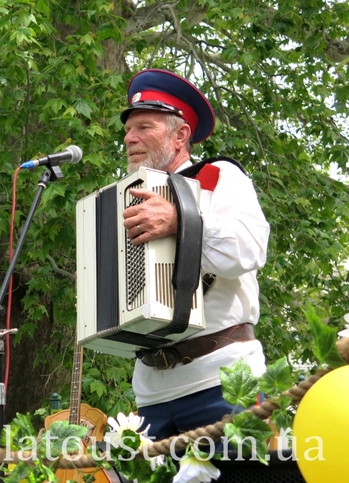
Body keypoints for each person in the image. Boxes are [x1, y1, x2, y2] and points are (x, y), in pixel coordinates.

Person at [118, 69, 270, 440]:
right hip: (151, 391)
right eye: (128, 129)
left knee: (238, 471)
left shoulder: (218, 176)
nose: (129, 138)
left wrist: (181, 222)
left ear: (180, 135)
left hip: (223, 377)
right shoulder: (124, 201)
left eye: (144, 127)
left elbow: (250, 249)